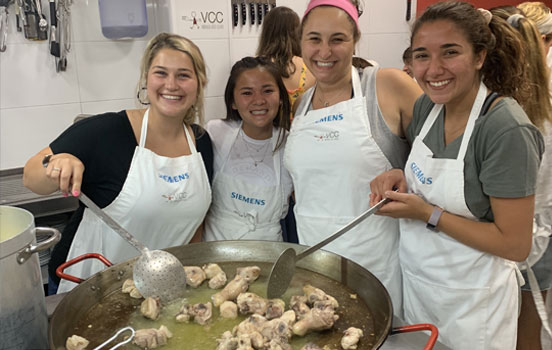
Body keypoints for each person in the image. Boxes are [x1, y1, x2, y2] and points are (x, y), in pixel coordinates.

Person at [369, 2, 545, 349]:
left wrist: (427, 214)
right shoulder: (427, 108)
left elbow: (514, 243)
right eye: (421, 56)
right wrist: (397, 174)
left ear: (480, 56)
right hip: (420, 290)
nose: (433, 69)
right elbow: (426, 177)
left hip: (473, 307)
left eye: (450, 53)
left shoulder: (504, 129)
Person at [23, 33, 213, 294]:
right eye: (161, 73)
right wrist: (59, 162)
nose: (172, 84)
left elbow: (194, 225)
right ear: (146, 79)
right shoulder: (107, 132)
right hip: (88, 286)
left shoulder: (201, 142)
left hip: (161, 287)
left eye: (183, 75)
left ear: (199, 83)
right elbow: (31, 175)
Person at [283, 0, 422, 315]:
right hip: (315, 260)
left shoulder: (387, 85)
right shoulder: (301, 105)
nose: (325, 51)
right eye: (314, 39)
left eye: (338, 39)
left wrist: (404, 173)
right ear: (301, 43)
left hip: (378, 261)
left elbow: (443, 149)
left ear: (355, 39)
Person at [494, 4, 552, 349]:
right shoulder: (542, 107)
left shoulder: (509, 120)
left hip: (525, 237)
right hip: (537, 233)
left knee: (520, 329)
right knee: (528, 324)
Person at [203, 56, 293, 242]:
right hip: (214, 251)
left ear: (281, 98)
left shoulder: (292, 144)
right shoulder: (215, 133)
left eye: (267, 91)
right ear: (233, 102)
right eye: (247, 93)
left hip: (268, 254)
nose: (259, 100)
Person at [256, 6, 316, 112]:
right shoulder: (309, 66)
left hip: (266, 128)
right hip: (301, 127)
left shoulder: (253, 66)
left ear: (266, 32)